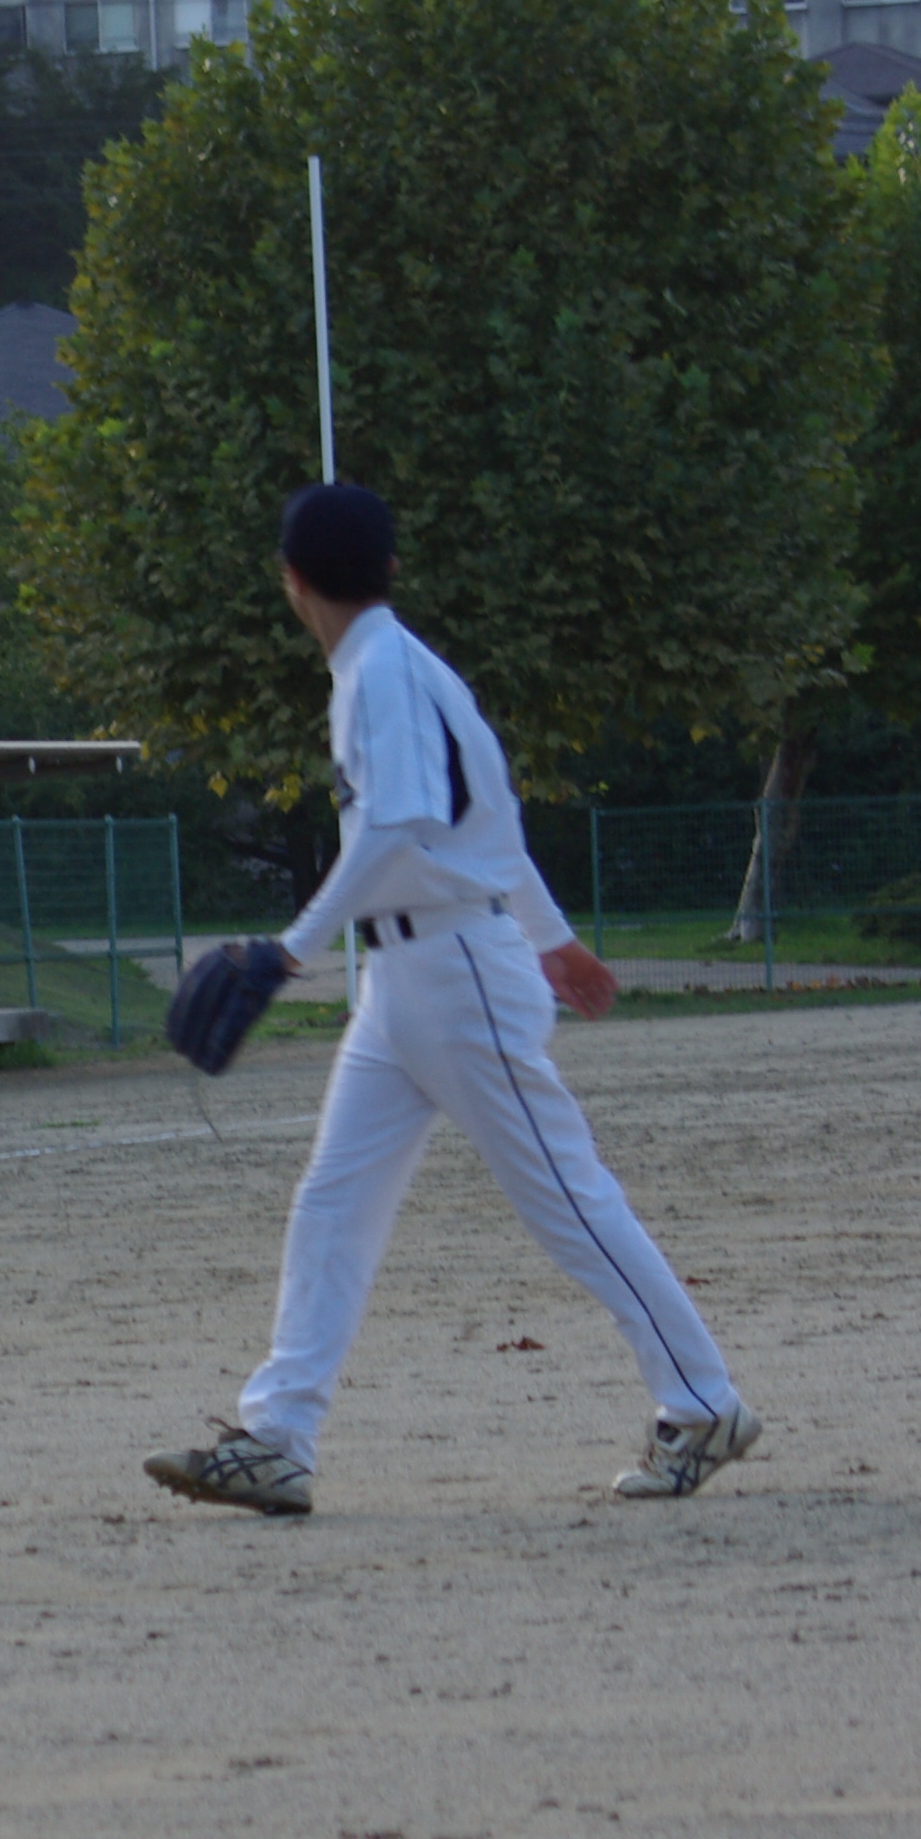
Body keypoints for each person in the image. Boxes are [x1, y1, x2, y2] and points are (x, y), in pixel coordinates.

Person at [145, 484, 761, 1516]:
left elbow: (398, 829)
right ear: (387, 569)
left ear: (290, 581)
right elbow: (492, 818)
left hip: (453, 972)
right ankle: (276, 1437)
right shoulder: (408, 666)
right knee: (333, 1202)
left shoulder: (380, 672)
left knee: (566, 1199)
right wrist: (552, 936)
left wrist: (289, 951)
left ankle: (702, 1402)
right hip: (409, 981)